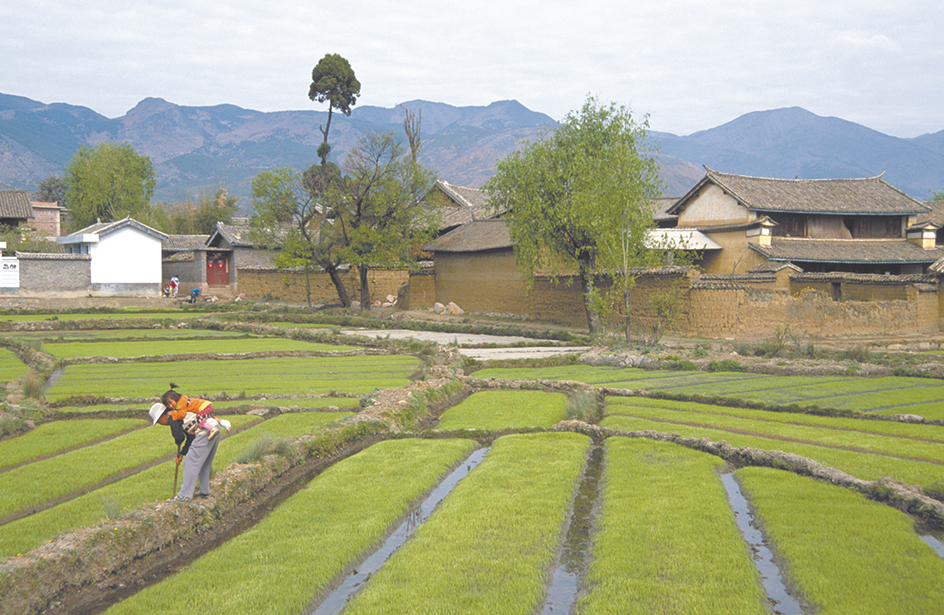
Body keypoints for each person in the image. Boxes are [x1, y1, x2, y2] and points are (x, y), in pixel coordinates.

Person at [149, 383, 230, 502]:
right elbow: (189, 438)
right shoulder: (180, 412)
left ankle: (184, 495)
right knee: (204, 463)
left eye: (159, 421)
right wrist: (181, 453)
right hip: (214, 427)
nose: (161, 424)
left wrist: (177, 442)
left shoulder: (173, 417)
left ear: (162, 416)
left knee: (190, 462)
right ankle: (204, 491)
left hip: (205, 432)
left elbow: (179, 437)